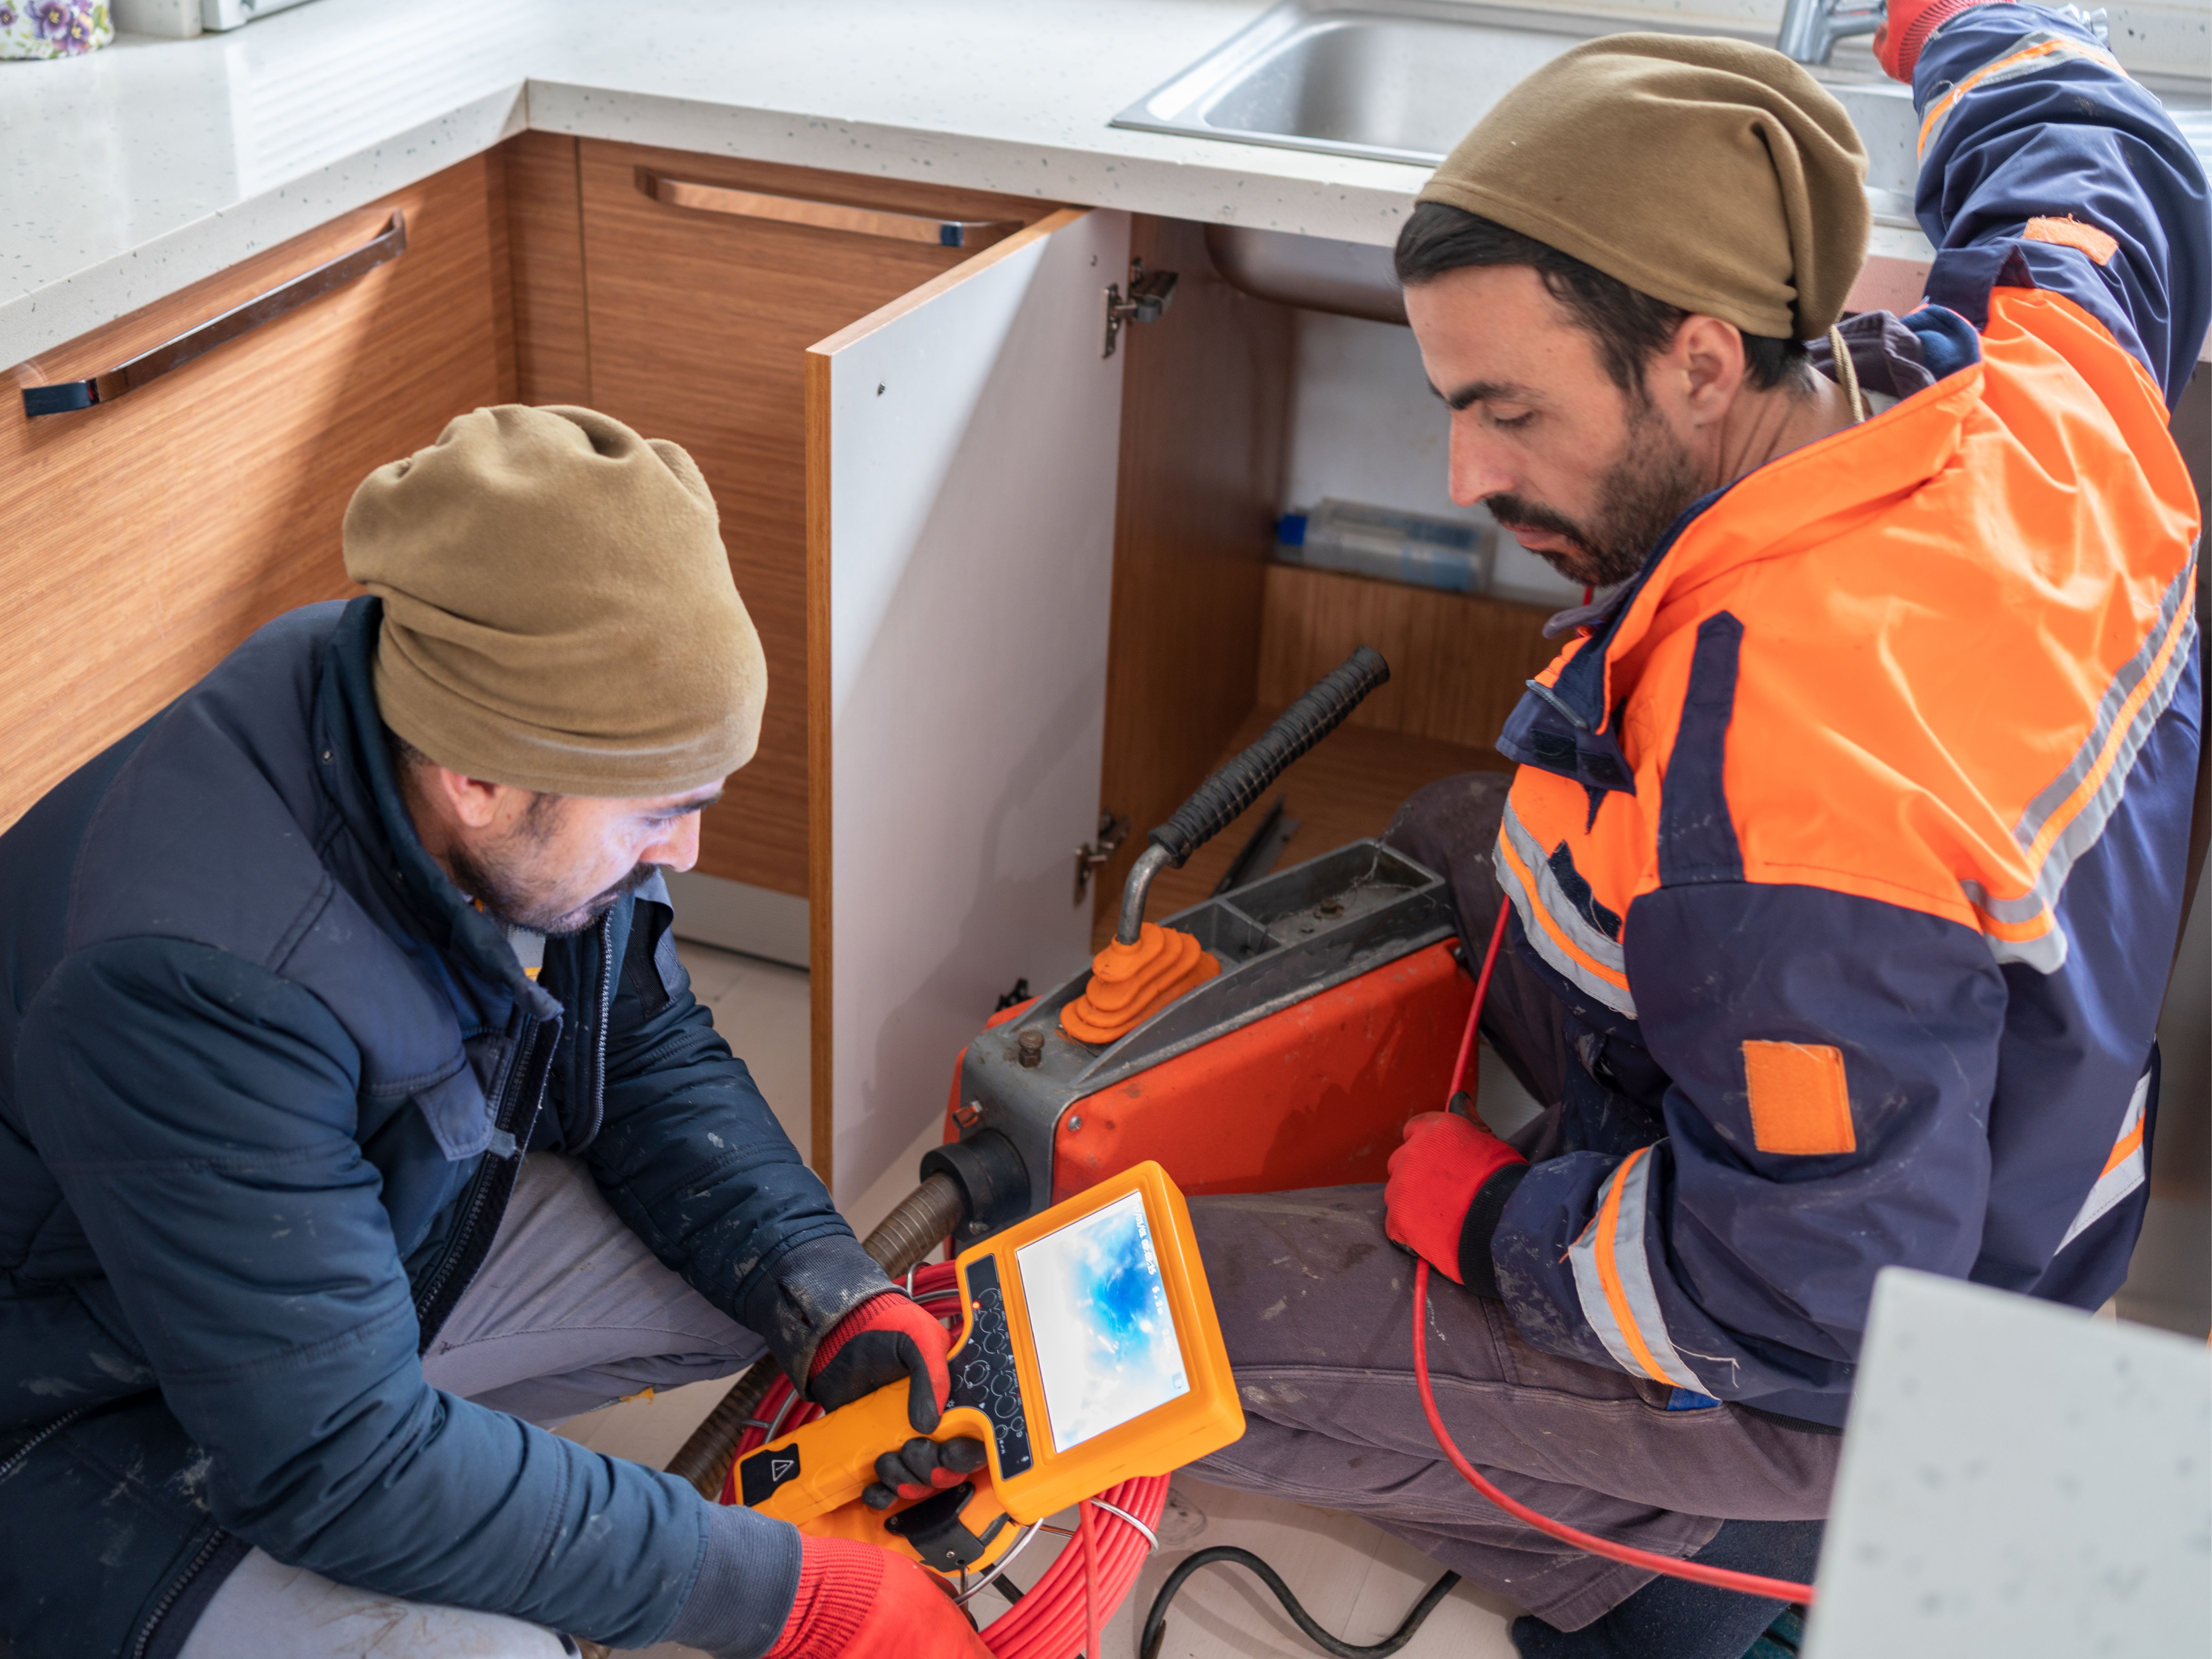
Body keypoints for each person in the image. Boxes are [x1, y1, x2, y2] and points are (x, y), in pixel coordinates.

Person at [1185, 6, 2207, 1657]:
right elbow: (2094, 163)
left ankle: (1696, 1563)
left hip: (1875, 1354)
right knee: (1469, 839)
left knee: (1196, 1322)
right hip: (2021, 1167)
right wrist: (1976, 30)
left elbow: (1808, 1297)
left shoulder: (1792, 784)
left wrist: (1495, 1228)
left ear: (1705, 361)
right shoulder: (2039, 395)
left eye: (1510, 413)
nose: (1465, 469)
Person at [0, 406, 990, 1659]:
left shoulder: (454, 718)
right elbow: (336, 1462)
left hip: (287, 1278)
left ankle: (414, 1438)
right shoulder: (196, 979)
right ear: (479, 777)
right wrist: (789, 1596)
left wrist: (829, 1288)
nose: (685, 851)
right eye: (659, 813)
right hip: (69, 1412)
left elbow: (635, 1047)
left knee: (751, 1301)